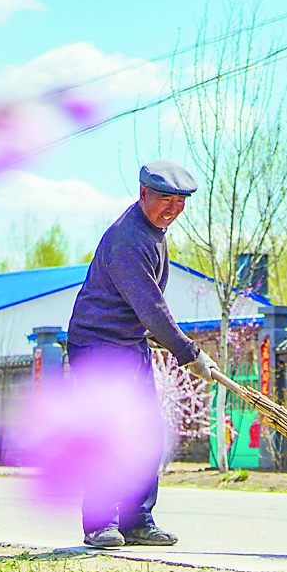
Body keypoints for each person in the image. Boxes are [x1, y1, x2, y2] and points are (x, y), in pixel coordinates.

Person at [65, 159, 222, 549]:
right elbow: (151, 308)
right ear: (142, 194)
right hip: (97, 344)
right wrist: (189, 354)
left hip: (128, 342)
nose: (172, 208)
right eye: (164, 198)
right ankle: (100, 523)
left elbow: (144, 310)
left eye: (180, 200)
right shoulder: (128, 240)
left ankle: (137, 520)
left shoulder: (154, 229)